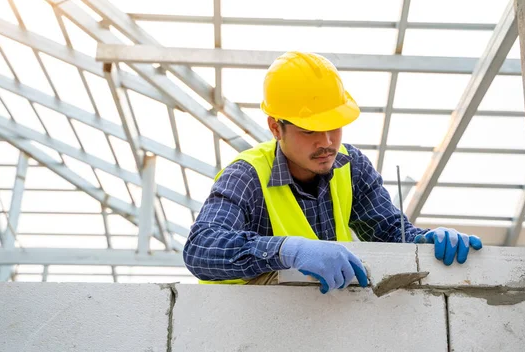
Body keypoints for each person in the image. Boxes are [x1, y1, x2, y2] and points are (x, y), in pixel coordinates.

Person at [183, 51, 482, 294]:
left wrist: (425, 239)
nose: (326, 143)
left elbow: (389, 233)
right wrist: (288, 250)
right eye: (310, 130)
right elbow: (201, 248)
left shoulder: (350, 166)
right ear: (276, 127)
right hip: (244, 326)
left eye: (334, 126)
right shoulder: (247, 176)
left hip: (327, 320)